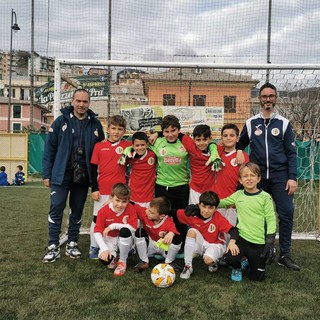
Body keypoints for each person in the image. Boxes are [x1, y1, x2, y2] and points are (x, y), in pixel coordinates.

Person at [237, 82, 300, 271]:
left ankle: (285, 255)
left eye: (271, 96)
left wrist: (292, 177)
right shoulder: (251, 123)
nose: (268, 100)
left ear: (276, 98)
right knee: (257, 216)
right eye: (264, 96)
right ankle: (258, 251)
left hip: (281, 176)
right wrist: (240, 150)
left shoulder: (284, 123)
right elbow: (240, 143)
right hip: (258, 178)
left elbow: (291, 153)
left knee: (286, 213)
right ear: (259, 99)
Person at [42, 88, 105, 263]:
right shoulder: (60, 121)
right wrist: (47, 174)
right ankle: (53, 245)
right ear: (72, 101)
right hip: (61, 174)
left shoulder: (95, 124)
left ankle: (72, 243)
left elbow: (102, 151)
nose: (81, 105)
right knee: (57, 208)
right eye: (78, 101)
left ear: (89, 103)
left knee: (76, 210)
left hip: (83, 175)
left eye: (85, 101)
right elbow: (49, 149)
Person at [220, 162, 277, 282]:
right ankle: (237, 267)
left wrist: (270, 241)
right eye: (245, 176)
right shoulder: (238, 195)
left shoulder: (265, 197)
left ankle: (248, 261)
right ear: (240, 180)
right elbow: (222, 202)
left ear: (259, 178)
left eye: (252, 175)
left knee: (258, 278)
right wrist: (205, 202)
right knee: (229, 259)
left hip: (258, 241)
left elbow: (271, 219)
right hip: (241, 238)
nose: (249, 178)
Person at [88, 115, 131, 259]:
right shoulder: (99, 146)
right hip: (103, 190)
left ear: (124, 131)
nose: (116, 132)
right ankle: (94, 247)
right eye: (113, 128)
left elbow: (143, 144)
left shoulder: (127, 146)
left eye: (120, 129)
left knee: (119, 219)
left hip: (119, 192)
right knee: (97, 219)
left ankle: (120, 246)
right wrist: (94, 188)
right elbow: (94, 169)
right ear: (108, 129)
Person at [169, 191, 239, 280]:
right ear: (199, 205)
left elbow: (233, 230)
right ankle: (188, 266)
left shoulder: (218, 218)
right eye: (204, 206)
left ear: (216, 208)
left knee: (208, 260)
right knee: (191, 231)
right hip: (201, 243)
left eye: (210, 208)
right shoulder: (193, 213)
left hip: (216, 244)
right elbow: (173, 212)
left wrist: (232, 242)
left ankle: (214, 262)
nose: (206, 210)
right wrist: (158, 212)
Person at [94, 183, 138, 277]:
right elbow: (97, 231)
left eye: (124, 201)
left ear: (128, 200)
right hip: (109, 240)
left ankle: (122, 261)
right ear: (111, 198)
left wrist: (113, 226)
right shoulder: (103, 211)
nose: (120, 204)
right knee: (105, 260)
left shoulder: (131, 208)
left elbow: (134, 228)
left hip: (124, 239)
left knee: (125, 230)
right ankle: (114, 257)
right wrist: (104, 249)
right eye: (117, 200)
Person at [211, 124, 250, 226]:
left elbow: (245, 180)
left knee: (230, 231)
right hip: (217, 200)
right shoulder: (217, 153)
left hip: (233, 202)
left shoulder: (242, 156)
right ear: (221, 138)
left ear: (237, 139)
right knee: (216, 230)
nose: (228, 138)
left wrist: (236, 199)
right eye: (225, 135)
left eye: (232, 135)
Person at [132, 196, 181, 273]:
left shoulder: (167, 221)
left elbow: (173, 230)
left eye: (151, 212)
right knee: (139, 232)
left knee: (177, 238)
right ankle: (144, 261)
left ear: (162, 216)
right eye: (148, 209)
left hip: (163, 246)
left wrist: (171, 233)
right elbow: (133, 205)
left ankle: (169, 262)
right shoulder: (145, 213)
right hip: (150, 245)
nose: (147, 212)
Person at [118, 131, 157, 207]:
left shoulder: (153, 154)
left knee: (147, 217)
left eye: (142, 145)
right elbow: (120, 164)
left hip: (149, 195)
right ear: (133, 145)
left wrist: (156, 134)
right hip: (133, 194)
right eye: (137, 145)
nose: (140, 148)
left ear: (147, 144)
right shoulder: (129, 156)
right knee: (134, 218)